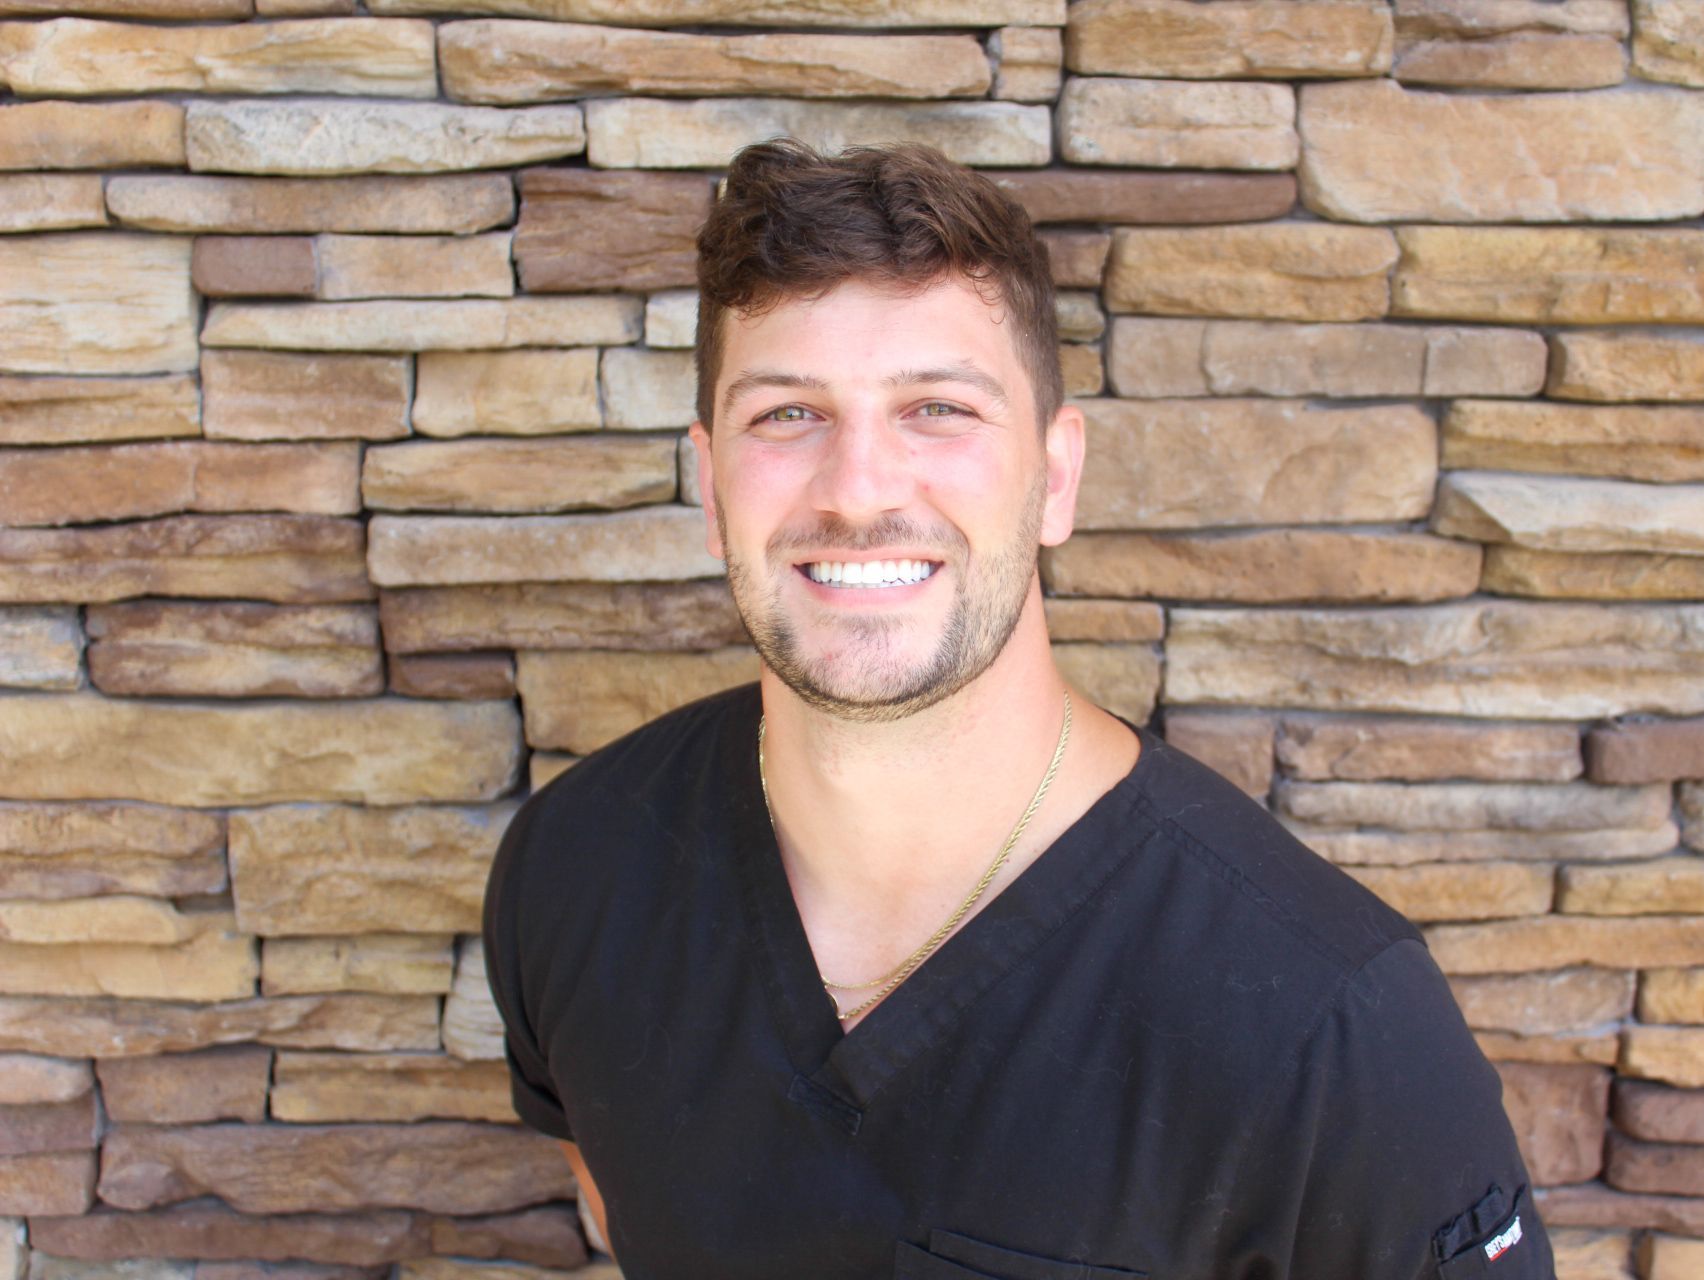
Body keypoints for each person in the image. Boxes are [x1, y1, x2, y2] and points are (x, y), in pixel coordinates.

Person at [484, 138, 1553, 1280]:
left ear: (1056, 476)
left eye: (938, 408)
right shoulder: (577, 868)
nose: (858, 490)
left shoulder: (1336, 1027)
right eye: (788, 413)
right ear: (710, 485)